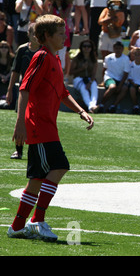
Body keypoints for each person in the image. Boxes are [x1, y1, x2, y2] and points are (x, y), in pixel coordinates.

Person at [7, 14, 94, 241]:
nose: (64, 36)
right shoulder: (42, 57)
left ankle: (17, 226)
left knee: (37, 178)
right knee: (59, 166)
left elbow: (63, 92)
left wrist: (81, 111)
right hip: (38, 126)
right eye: (60, 34)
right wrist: (20, 124)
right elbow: (24, 89)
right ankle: (37, 220)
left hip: (46, 126)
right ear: (46, 36)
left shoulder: (55, 59)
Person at [6, 23, 40, 160]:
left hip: (38, 92)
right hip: (23, 91)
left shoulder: (44, 51)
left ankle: (36, 150)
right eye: (33, 34)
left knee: (36, 122)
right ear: (28, 34)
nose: (35, 37)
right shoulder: (22, 50)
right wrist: (10, 90)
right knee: (21, 121)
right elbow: (15, 71)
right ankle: (18, 150)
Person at [94, 41, 131, 113]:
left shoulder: (126, 59)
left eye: (119, 48)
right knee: (112, 87)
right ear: (113, 49)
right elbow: (104, 69)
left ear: (122, 49)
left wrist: (120, 85)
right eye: (116, 48)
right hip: (109, 77)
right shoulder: (108, 57)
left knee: (125, 88)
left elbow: (126, 73)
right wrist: (103, 81)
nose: (118, 50)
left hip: (120, 79)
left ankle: (113, 106)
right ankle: (101, 105)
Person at [69, 39, 99, 113]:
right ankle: (91, 107)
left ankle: (92, 106)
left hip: (89, 79)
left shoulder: (93, 59)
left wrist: (90, 82)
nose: (86, 48)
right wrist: (82, 68)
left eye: (89, 46)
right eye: (84, 46)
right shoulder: (77, 58)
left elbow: (94, 73)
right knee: (83, 88)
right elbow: (70, 72)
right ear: (81, 48)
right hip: (78, 78)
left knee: (94, 86)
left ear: (91, 48)